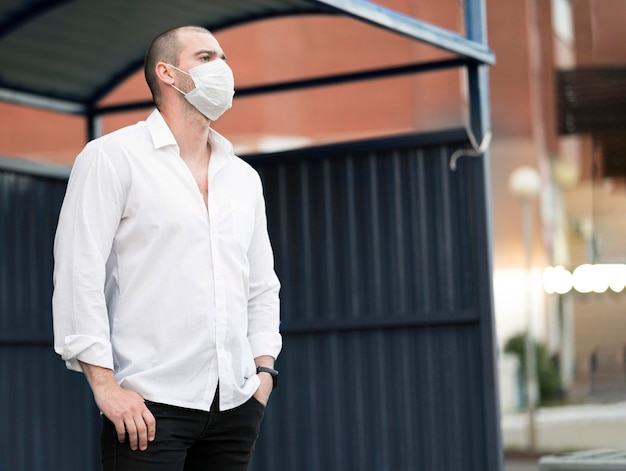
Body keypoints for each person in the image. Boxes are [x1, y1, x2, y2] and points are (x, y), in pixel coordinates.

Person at [52, 25, 281, 471]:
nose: (224, 69)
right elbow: (79, 273)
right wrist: (106, 388)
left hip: (236, 405)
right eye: (207, 57)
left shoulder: (243, 178)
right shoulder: (111, 157)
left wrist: (263, 375)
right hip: (147, 408)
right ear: (169, 73)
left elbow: (260, 284)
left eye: (224, 57)